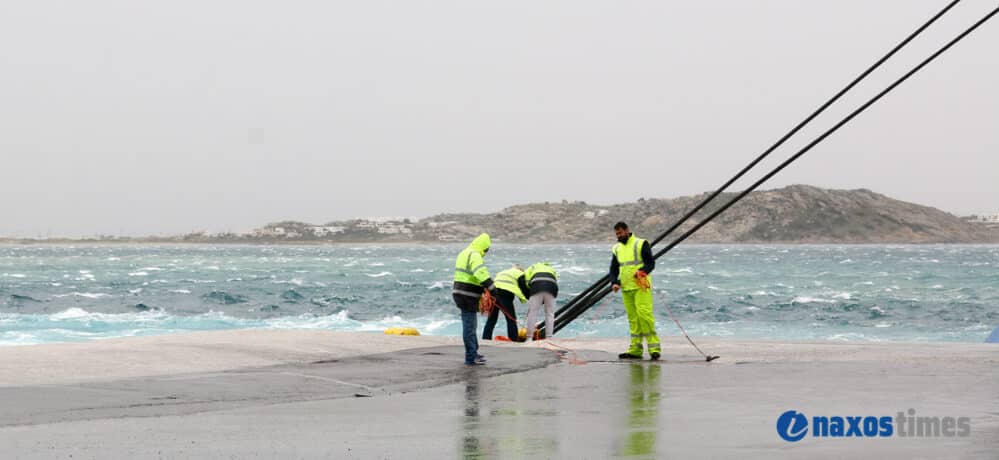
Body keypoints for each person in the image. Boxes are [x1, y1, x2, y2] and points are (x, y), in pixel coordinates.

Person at [609, 222, 661, 360]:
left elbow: (651, 263)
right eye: (617, 234)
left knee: (644, 315)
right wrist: (614, 282)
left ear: (627, 230)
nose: (619, 236)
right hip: (626, 288)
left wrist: (642, 271)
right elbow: (613, 268)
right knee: (633, 319)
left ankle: (654, 348)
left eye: (620, 233)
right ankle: (635, 350)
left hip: (641, 286)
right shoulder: (616, 248)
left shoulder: (641, 243)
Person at [453, 233, 496, 365]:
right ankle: (470, 357)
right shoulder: (475, 255)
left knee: (471, 325)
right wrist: (492, 288)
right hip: (468, 295)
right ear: (484, 247)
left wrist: (482, 288)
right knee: (470, 327)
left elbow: (468, 275)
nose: (486, 253)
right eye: (486, 250)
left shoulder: (464, 253)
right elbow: (479, 272)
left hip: (459, 292)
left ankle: (474, 352)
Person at [482, 264, 529, 342]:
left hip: (493, 293)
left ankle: (485, 339)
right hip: (505, 294)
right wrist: (530, 298)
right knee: (511, 319)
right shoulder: (521, 274)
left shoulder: (503, 272)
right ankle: (513, 340)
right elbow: (524, 288)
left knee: (491, 319)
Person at [524, 261, 558, 340]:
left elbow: (526, 280)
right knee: (550, 313)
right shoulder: (551, 269)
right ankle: (548, 337)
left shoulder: (532, 267)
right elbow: (555, 282)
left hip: (536, 285)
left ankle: (529, 338)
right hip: (551, 287)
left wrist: (530, 294)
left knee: (533, 313)